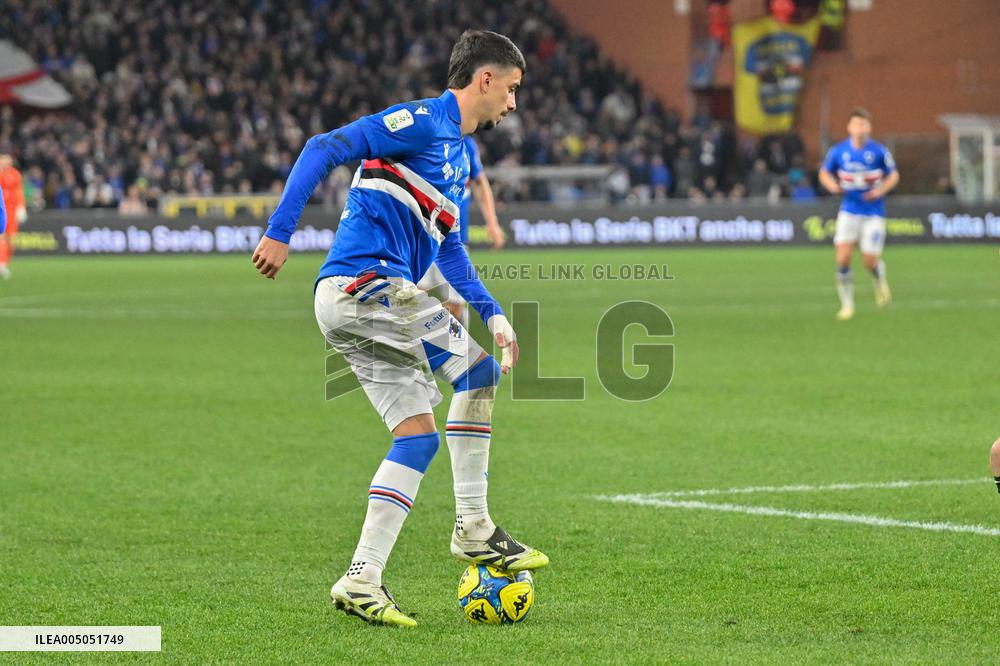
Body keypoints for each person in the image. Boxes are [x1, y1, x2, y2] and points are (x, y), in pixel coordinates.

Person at [250, 30, 547, 628]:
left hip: (361, 303)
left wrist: (494, 314)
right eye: (511, 89)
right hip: (367, 286)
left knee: (417, 436)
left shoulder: (460, 157)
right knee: (480, 375)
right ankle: (474, 527)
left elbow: (452, 248)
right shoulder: (421, 122)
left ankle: (362, 577)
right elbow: (322, 146)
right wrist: (281, 230)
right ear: (484, 80)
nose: (513, 104)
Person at [818, 108, 899, 321]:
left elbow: (893, 176)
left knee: (869, 261)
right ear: (849, 127)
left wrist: (879, 191)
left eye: (863, 124)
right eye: (856, 124)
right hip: (849, 210)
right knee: (843, 257)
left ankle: (879, 278)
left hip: (874, 212)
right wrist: (832, 186)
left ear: (869, 127)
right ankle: (847, 305)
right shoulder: (838, 151)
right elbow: (824, 172)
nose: (860, 128)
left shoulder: (879, 152)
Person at [417, 134, 505, 328]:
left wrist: (492, 222)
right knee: (412, 302)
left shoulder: (468, 145)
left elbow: (480, 183)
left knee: (455, 308)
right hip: (420, 237)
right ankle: (421, 349)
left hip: (453, 242)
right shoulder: (424, 139)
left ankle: (458, 348)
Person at [0, 155, 27, 280]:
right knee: (2, 238)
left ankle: (4, 263)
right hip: (1, 210)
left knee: (11, 240)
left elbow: (18, 191)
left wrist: (21, 207)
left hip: (10, 211)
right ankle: (2, 263)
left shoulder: (15, 174)